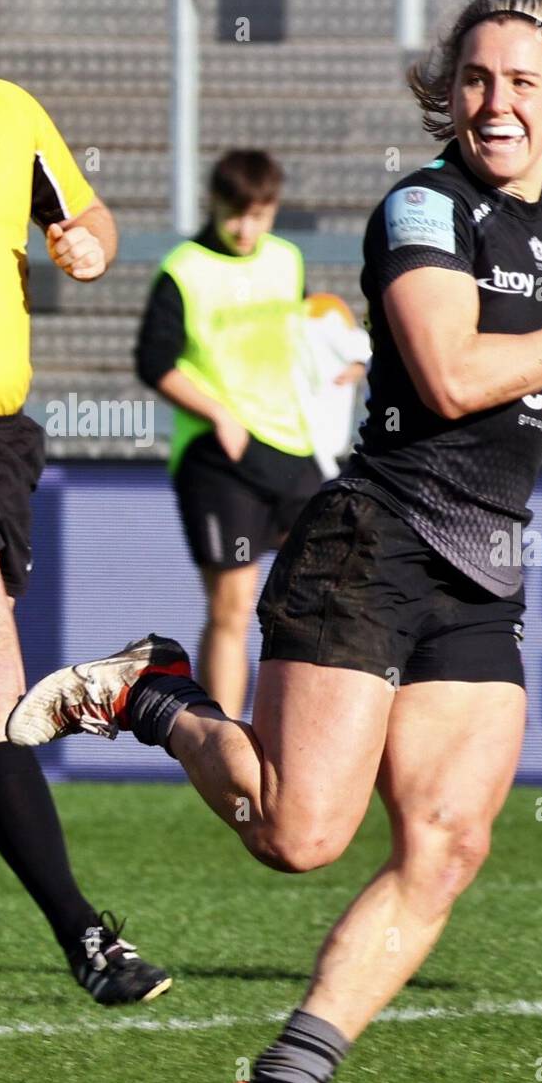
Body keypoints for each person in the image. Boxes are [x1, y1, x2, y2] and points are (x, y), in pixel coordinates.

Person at [9, 0, 542, 1083]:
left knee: (449, 841)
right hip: (372, 542)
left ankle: (285, 1079)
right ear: (447, 92)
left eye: (523, 83)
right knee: (299, 835)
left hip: (483, 568)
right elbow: (445, 374)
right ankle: (153, 693)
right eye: (476, 78)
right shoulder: (422, 208)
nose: (496, 102)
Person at [0, 0, 170, 1004]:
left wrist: (89, 236)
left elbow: (84, 213)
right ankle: (85, 936)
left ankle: (83, 936)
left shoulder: (3, 112)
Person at [135, 150, 364, 720]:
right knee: (232, 607)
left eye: (259, 214)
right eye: (236, 213)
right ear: (214, 203)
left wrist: (345, 365)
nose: (246, 228)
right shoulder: (183, 269)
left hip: (293, 451)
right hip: (219, 459)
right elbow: (153, 362)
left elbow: (307, 337)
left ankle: (306, 730)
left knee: (321, 593)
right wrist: (219, 415)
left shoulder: (286, 260)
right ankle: (222, 736)